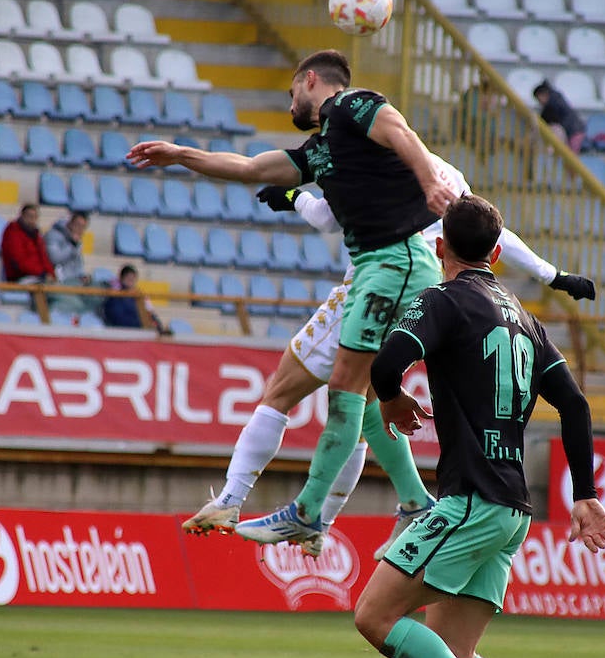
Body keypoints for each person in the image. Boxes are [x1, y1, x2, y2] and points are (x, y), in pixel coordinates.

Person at [183, 157, 596, 562]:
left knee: (286, 389)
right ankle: (378, 509)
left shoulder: (359, 160)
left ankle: (237, 501)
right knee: (365, 408)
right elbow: (493, 232)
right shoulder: (442, 172)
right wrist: (552, 276)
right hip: (430, 288)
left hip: (382, 275)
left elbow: (327, 216)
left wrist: (294, 197)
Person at [129, 49, 458, 555]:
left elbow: (399, 130)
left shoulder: (350, 106)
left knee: (344, 391)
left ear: (310, 81)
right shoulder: (323, 149)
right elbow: (248, 167)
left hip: (395, 262)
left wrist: (430, 181)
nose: (290, 105)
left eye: (291, 94)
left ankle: (307, 515)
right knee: (358, 400)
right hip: (382, 267)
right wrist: (181, 155)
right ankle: (390, 506)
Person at [354, 194, 605, 658]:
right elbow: (575, 405)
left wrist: (389, 402)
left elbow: (388, 363)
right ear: (497, 253)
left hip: (469, 500)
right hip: (511, 511)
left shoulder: (442, 300)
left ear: (439, 248)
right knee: (454, 650)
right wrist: (584, 494)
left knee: (375, 616)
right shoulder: (525, 317)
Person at [44, 210, 99, 313]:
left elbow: (78, 264)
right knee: (77, 304)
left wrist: (82, 275)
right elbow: (54, 258)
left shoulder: (77, 240)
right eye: (77, 225)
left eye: (83, 227)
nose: (79, 229)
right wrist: (72, 245)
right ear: (70, 222)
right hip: (58, 280)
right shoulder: (53, 235)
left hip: (73, 280)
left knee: (98, 290)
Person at [103, 264, 170, 335]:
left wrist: (158, 326)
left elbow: (150, 313)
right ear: (122, 279)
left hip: (140, 330)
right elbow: (118, 318)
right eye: (128, 278)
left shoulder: (140, 295)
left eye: (133, 279)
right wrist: (142, 325)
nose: (131, 281)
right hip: (125, 331)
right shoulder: (115, 296)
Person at [532, 81, 586, 155]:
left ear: (543, 95)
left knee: (571, 157)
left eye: (538, 99)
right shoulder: (557, 99)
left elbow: (547, 118)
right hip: (574, 131)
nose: (539, 102)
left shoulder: (553, 104)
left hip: (574, 132)